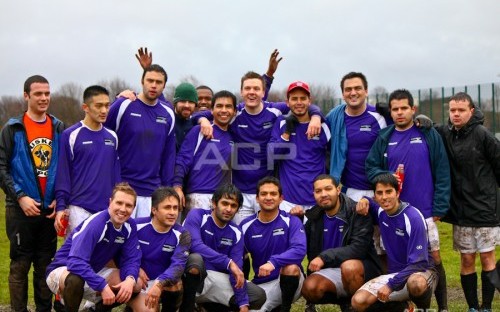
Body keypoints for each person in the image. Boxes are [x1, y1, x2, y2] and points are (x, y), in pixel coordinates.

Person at [365, 89, 451, 311]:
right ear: (390, 112)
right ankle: (403, 304)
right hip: (393, 212)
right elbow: (370, 167)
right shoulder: (385, 137)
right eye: (395, 109)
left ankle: (442, 307)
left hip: (424, 210)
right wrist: (384, 178)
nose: (400, 113)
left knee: (434, 258)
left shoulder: (428, 134)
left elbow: (442, 171)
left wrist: (440, 206)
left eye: (404, 108)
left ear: (413, 109)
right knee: (390, 256)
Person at [196, 74, 323, 224]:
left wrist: (316, 116)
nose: (252, 92)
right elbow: (205, 113)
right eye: (247, 88)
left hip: (266, 192)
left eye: (256, 88)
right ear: (241, 92)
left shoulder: (274, 111)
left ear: (264, 92)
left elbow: (299, 105)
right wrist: (203, 119)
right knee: (243, 237)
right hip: (240, 191)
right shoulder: (235, 113)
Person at [0, 75, 64, 312]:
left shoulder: (58, 127)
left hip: (49, 211)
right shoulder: (12, 128)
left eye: (47, 93)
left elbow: (66, 167)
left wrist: (60, 197)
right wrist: (20, 196)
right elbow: (1, 167)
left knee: (45, 266)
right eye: (38, 94)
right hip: (19, 209)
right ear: (26, 96)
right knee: (19, 265)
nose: (44, 98)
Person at [134, 47, 280, 150]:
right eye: (199, 98)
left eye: (207, 99)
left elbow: (255, 101)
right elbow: (159, 99)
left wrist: (268, 75)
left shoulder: (223, 119)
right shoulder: (178, 117)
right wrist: (148, 69)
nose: (203, 101)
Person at [435, 92, 499, 312]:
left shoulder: (483, 135)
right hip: (461, 212)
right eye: (452, 110)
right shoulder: (446, 134)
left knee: (488, 259)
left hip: (485, 211)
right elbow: (426, 127)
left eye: (461, 110)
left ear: (471, 111)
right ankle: (472, 307)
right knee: (467, 261)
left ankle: (487, 307)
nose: (456, 114)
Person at [45, 182, 142, 312]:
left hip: (93, 271)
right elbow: (75, 262)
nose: (123, 209)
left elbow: (132, 259)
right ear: (110, 202)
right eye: (119, 203)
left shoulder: (130, 226)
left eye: (128, 205)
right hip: (64, 269)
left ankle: (94, 310)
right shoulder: (97, 223)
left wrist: (130, 279)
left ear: (133, 208)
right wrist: (102, 286)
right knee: (75, 280)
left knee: (136, 284)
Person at [352, 173, 437, 311]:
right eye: (380, 193)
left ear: (397, 193)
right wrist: (364, 199)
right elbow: (371, 204)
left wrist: (390, 285)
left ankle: (423, 309)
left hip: (421, 272)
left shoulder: (413, 217)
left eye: (389, 191)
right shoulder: (381, 211)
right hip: (395, 276)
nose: (384, 197)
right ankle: (403, 307)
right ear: (375, 196)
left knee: (416, 284)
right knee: (358, 301)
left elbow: (419, 263)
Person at [296, 174, 381, 311]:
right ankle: (346, 303)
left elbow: (359, 248)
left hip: (360, 269)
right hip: (331, 270)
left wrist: (324, 257)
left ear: (338, 189)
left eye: (328, 189)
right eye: (318, 191)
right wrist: (297, 221)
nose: (323, 194)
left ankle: (360, 306)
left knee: (349, 267)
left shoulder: (356, 211)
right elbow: (300, 244)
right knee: (310, 288)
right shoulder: (313, 216)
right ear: (314, 194)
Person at [104, 64, 176, 218]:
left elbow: (168, 156)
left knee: (145, 241)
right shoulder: (123, 105)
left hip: (152, 193)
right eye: (150, 80)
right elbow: (102, 139)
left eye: (158, 82)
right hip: (122, 190)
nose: (153, 85)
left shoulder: (168, 113)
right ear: (142, 81)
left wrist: (167, 191)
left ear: (164, 86)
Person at [183, 184, 266, 312]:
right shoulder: (197, 216)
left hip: (216, 279)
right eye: (225, 203)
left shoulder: (236, 232)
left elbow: (236, 271)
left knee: (257, 295)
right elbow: (195, 245)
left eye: (233, 206)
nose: (228, 209)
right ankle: (188, 307)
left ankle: (209, 307)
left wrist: (243, 304)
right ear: (214, 203)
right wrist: (228, 262)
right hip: (191, 277)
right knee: (195, 259)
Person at [55, 85, 120, 235]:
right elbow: (63, 175)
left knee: (105, 257)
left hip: (107, 210)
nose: (104, 110)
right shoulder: (70, 135)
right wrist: (60, 208)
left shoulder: (112, 137)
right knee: (77, 257)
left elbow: (116, 175)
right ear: (85, 107)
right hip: (79, 209)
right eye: (98, 106)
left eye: (107, 105)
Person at [240, 177, 307, 312]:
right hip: (261, 283)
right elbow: (238, 256)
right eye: (264, 194)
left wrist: (273, 262)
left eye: (273, 194)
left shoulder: (291, 221)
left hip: (291, 279)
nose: (268, 197)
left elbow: (299, 249)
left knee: (291, 267)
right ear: (257, 198)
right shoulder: (246, 225)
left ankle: (285, 308)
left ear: (281, 198)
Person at [268, 81, 330, 213]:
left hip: (317, 199)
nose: (299, 102)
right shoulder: (281, 123)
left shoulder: (323, 126)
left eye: (303, 98)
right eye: (294, 98)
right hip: (289, 200)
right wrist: (287, 133)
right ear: (287, 102)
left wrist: (317, 117)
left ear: (309, 101)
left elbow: (335, 154)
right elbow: (271, 155)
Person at [174, 90, 236, 218]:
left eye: (228, 106)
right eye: (219, 106)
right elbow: (183, 159)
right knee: (192, 238)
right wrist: (177, 186)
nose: (224, 110)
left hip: (223, 200)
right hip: (197, 197)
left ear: (235, 112)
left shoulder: (234, 134)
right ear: (211, 111)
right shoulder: (199, 131)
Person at [326, 72, 387, 201]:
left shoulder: (380, 116)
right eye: (348, 89)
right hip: (349, 191)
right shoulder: (334, 117)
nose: (353, 93)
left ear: (366, 91)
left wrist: (421, 120)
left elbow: (404, 128)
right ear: (343, 94)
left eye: (358, 88)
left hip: (379, 191)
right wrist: (315, 116)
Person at [128, 187, 191, 312]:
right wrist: (136, 268)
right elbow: (120, 253)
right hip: (136, 281)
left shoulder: (182, 234)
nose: (173, 212)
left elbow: (178, 265)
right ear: (154, 210)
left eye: (175, 208)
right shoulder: (135, 226)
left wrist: (159, 283)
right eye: (167, 207)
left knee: (176, 285)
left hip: (161, 282)